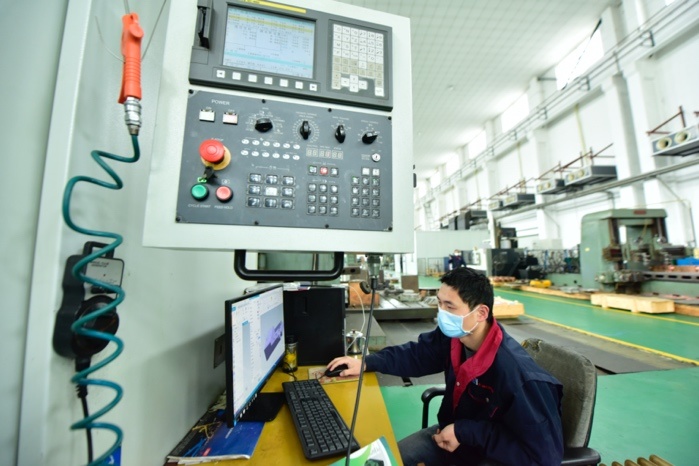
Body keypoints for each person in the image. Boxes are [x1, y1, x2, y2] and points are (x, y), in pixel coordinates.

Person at [327, 267, 563, 465]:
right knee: (385, 461)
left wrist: (466, 432)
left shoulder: (520, 377)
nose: (442, 313)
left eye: (450, 307)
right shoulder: (455, 337)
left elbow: (542, 457)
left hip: (489, 456)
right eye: (439, 304)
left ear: (481, 312)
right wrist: (367, 362)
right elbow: (417, 355)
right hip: (450, 437)